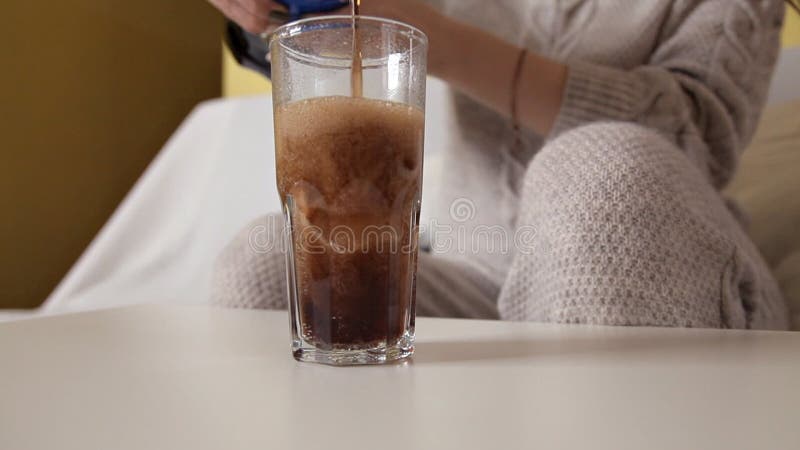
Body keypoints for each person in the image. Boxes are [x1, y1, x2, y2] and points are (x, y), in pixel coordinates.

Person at [208, 0, 796, 330]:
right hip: (478, 282)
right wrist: (263, 17)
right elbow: (342, 31)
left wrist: (437, 37)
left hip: (665, 280)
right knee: (264, 262)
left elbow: (693, 144)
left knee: (599, 168)